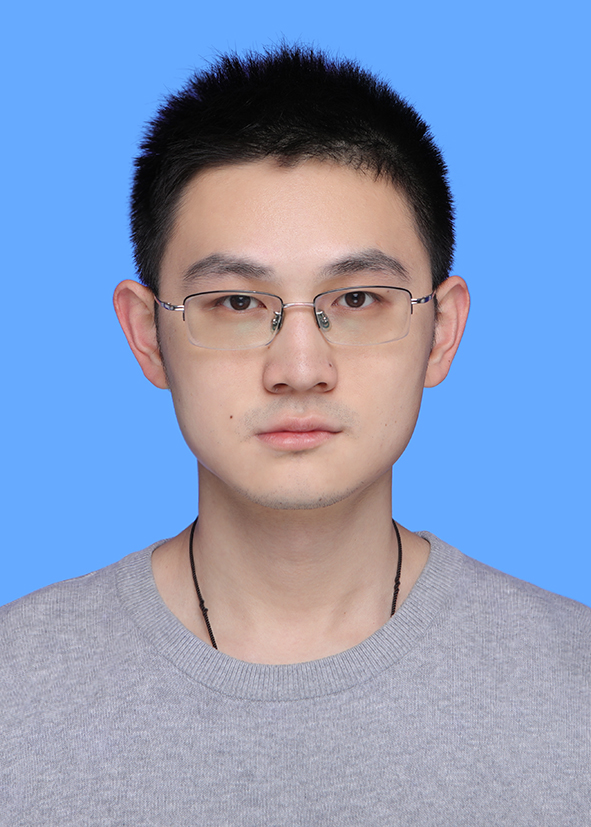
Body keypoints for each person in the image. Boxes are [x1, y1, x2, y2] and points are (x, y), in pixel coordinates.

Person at [1, 45, 589, 825]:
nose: (300, 368)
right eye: (237, 304)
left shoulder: (574, 689)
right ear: (147, 336)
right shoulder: (16, 690)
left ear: (441, 331)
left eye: (357, 298)